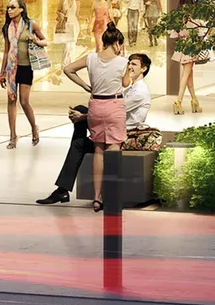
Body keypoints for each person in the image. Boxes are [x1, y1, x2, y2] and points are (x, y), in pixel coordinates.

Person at [39, 44, 153, 206]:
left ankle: (63, 190)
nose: (129, 66)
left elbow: (115, 110)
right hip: (110, 125)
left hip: (120, 132)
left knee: (78, 143)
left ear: (144, 69)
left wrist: (83, 117)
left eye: (134, 64)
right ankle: (63, 189)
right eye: (129, 63)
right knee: (80, 113)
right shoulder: (129, 87)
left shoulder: (140, 92)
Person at [54, 25, 130, 210]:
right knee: (114, 148)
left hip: (95, 105)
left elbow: (68, 69)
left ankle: (97, 198)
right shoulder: (122, 62)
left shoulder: (91, 58)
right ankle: (111, 195)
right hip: (114, 105)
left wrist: (86, 86)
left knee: (98, 151)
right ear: (117, 43)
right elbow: (126, 83)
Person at [0, 0, 41, 147]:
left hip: (26, 66)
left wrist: (35, 40)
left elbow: (45, 41)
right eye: (8, 7)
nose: (9, 10)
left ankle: (34, 128)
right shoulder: (7, 28)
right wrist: (2, 72)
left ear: (21, 9)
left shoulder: (31, 25)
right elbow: (6, 51)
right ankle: (12, 136)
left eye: (13, 7)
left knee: (24, 101)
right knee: (11, 100)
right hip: (11, 68)